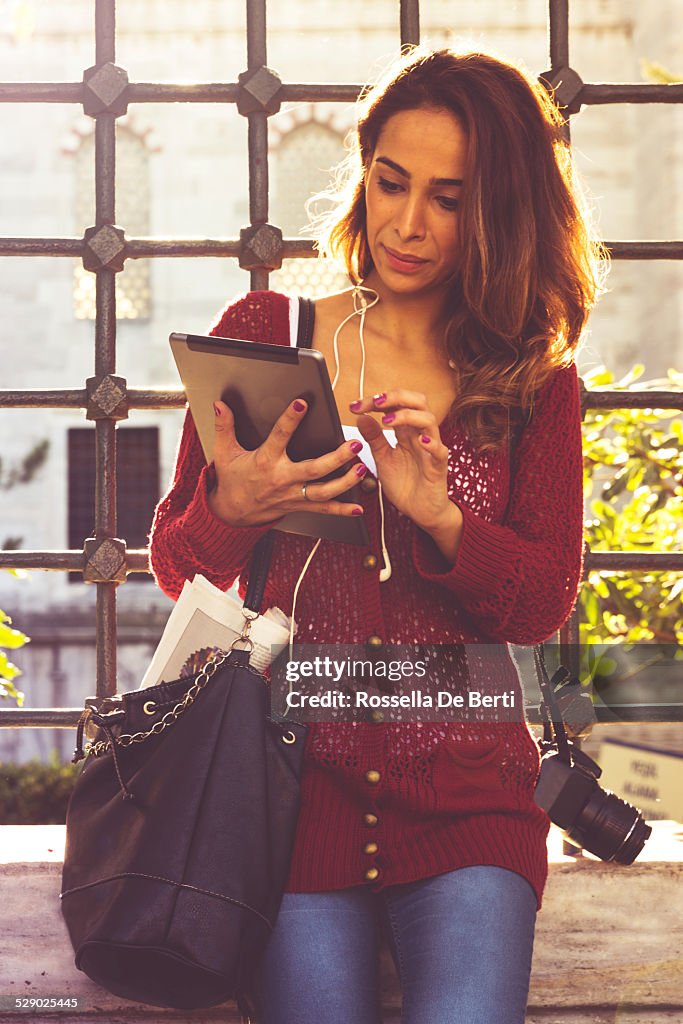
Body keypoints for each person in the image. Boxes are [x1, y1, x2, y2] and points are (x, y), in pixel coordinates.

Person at [150, 47, 605, 1024]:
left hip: (471, 811)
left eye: (447, 197)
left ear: (497, 209)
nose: (406, 223)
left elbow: (536, 603)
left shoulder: (534, 381)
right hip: (285, 804)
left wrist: (440, 516)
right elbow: (177, 565)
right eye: (390, 182)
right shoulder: (269, 330)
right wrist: (238, 507)